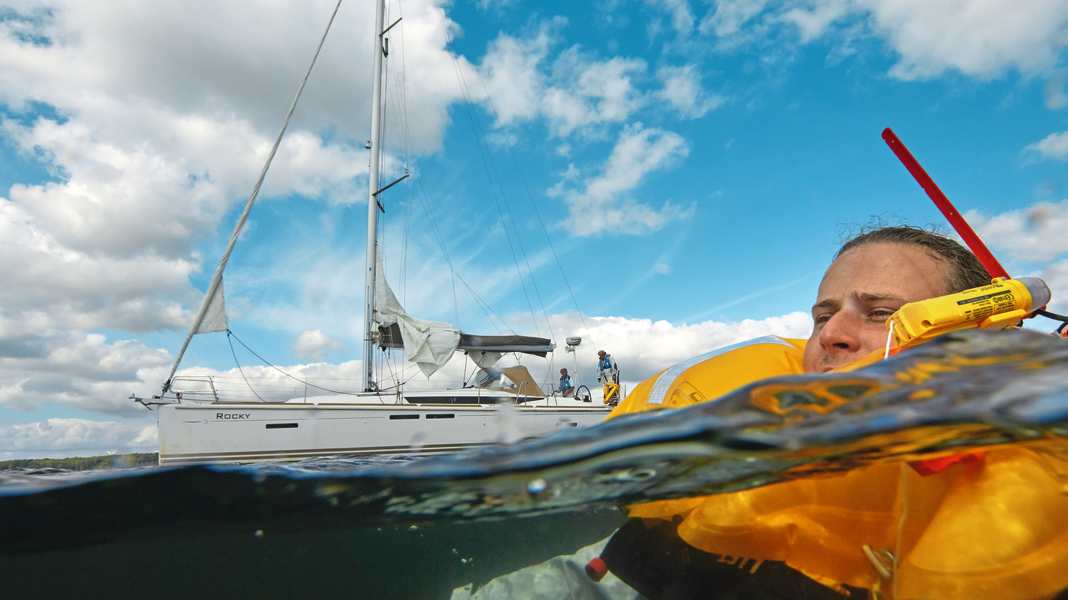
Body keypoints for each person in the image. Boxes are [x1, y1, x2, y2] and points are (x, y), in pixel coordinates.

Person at [453, 226, 1068, 599]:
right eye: (822, 316)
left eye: (881, 313)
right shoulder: (741, 434)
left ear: (973, 337)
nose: (833, 334)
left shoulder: (1033, 474)